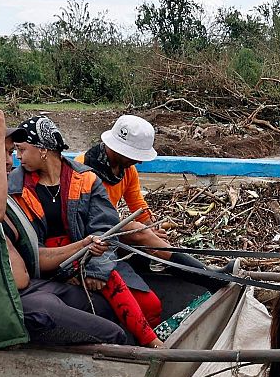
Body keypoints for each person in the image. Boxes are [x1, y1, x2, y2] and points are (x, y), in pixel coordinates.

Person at [0, 98, 132, 352]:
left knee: (104, 308)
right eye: (2, 151)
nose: (11, 161)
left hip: (27, 289)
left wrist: (84, 245)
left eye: (11, 152)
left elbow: (36, 256)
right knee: (113, 335)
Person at [8, 114, 163, 347]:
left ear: (43, 150)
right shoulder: (15, 189)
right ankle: (149, 343)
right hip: (45, 262)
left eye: (21, 150)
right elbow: (27, 248)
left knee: (147, 302)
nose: (17, 157)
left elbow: (104, 227)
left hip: (86, 256)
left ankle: (151, 342)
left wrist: (95, 270)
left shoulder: (86, 179)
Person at [79, 113, 211, 275]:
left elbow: (138, 206)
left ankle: (182, 273)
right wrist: (142, 232)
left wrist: (152, 230)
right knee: (137, 230)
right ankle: (207, 275)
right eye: (135, 155)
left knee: (148, 233)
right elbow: (77, 216)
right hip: (87, 232)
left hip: (108, 228)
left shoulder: (128, 171)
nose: (139, 161)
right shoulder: (81, 168)